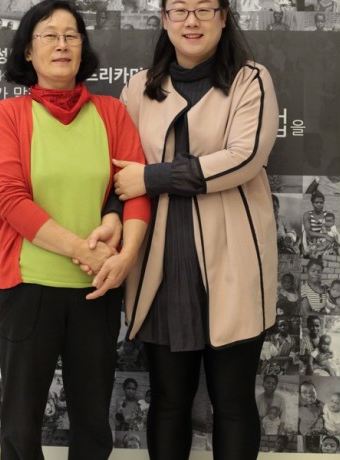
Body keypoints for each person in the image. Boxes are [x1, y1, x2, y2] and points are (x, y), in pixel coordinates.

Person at [114, 1, 278, 458]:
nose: (192, 21)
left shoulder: (250, 80)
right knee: (168, 401)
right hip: (161, 267)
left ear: (224, 17)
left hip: (233, 262)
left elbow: (245, 157)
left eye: (204, 9)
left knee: (233, 402)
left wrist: (153, 177)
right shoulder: (139, 88)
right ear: (164, 19)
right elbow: (120, 169)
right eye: (180, 10)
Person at [0, 1, 149, 459]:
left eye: (71, 35)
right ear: (28, 51)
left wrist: (125, 257)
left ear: (82, 47)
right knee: (20, 424)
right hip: (28, 287)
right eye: (49, 35)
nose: (62, 44)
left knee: (93, 423)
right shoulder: (9, 115)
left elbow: (135, 190)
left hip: (98, 287)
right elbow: (11, 200)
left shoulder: (112, 113)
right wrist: (82, 248)